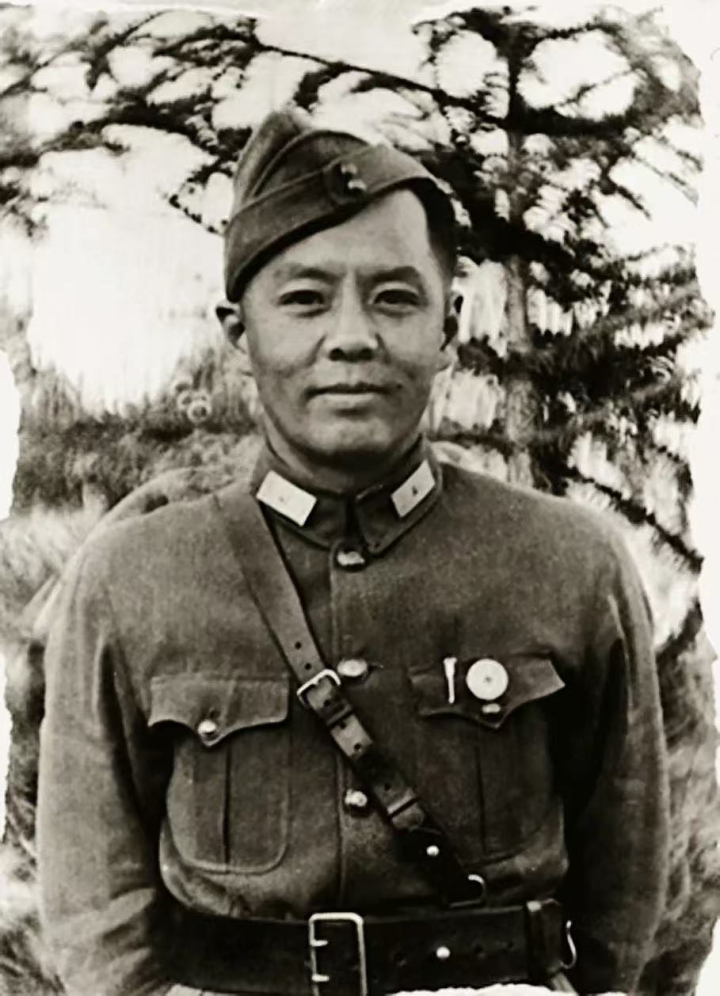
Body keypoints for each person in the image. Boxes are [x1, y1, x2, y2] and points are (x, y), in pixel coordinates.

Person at [37, 106, 669, 996]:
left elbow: (625, 883)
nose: (351, 337)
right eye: (304, 299)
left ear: (448, 330)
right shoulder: (133, 578)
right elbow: (97, 907)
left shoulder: (570, 564)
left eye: (395, 298)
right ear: (239, 333)